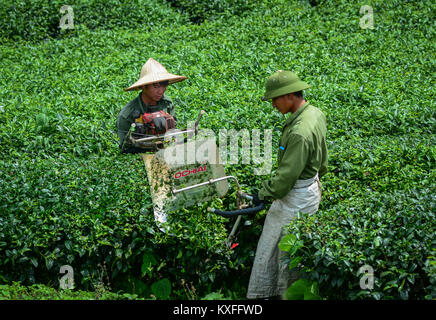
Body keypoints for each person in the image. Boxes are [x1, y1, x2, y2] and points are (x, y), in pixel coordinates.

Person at [247, 70, 328, 299]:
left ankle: (278, 295)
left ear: (291, 96)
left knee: (281, 255)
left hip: (295, 199)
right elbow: (323, 162)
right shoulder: (315, 113)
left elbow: (285, 179)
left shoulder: (299, 132)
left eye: (275, 98)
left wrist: (262, 194)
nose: (273, 104)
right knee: (286, 251)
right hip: (308, 189)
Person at [117, 58, 187, 153]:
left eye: (164, 85)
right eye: (156, 86)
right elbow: (124, 149)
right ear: (144, 86)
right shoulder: (127, 114)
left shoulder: (167, 103)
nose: (161, 91)